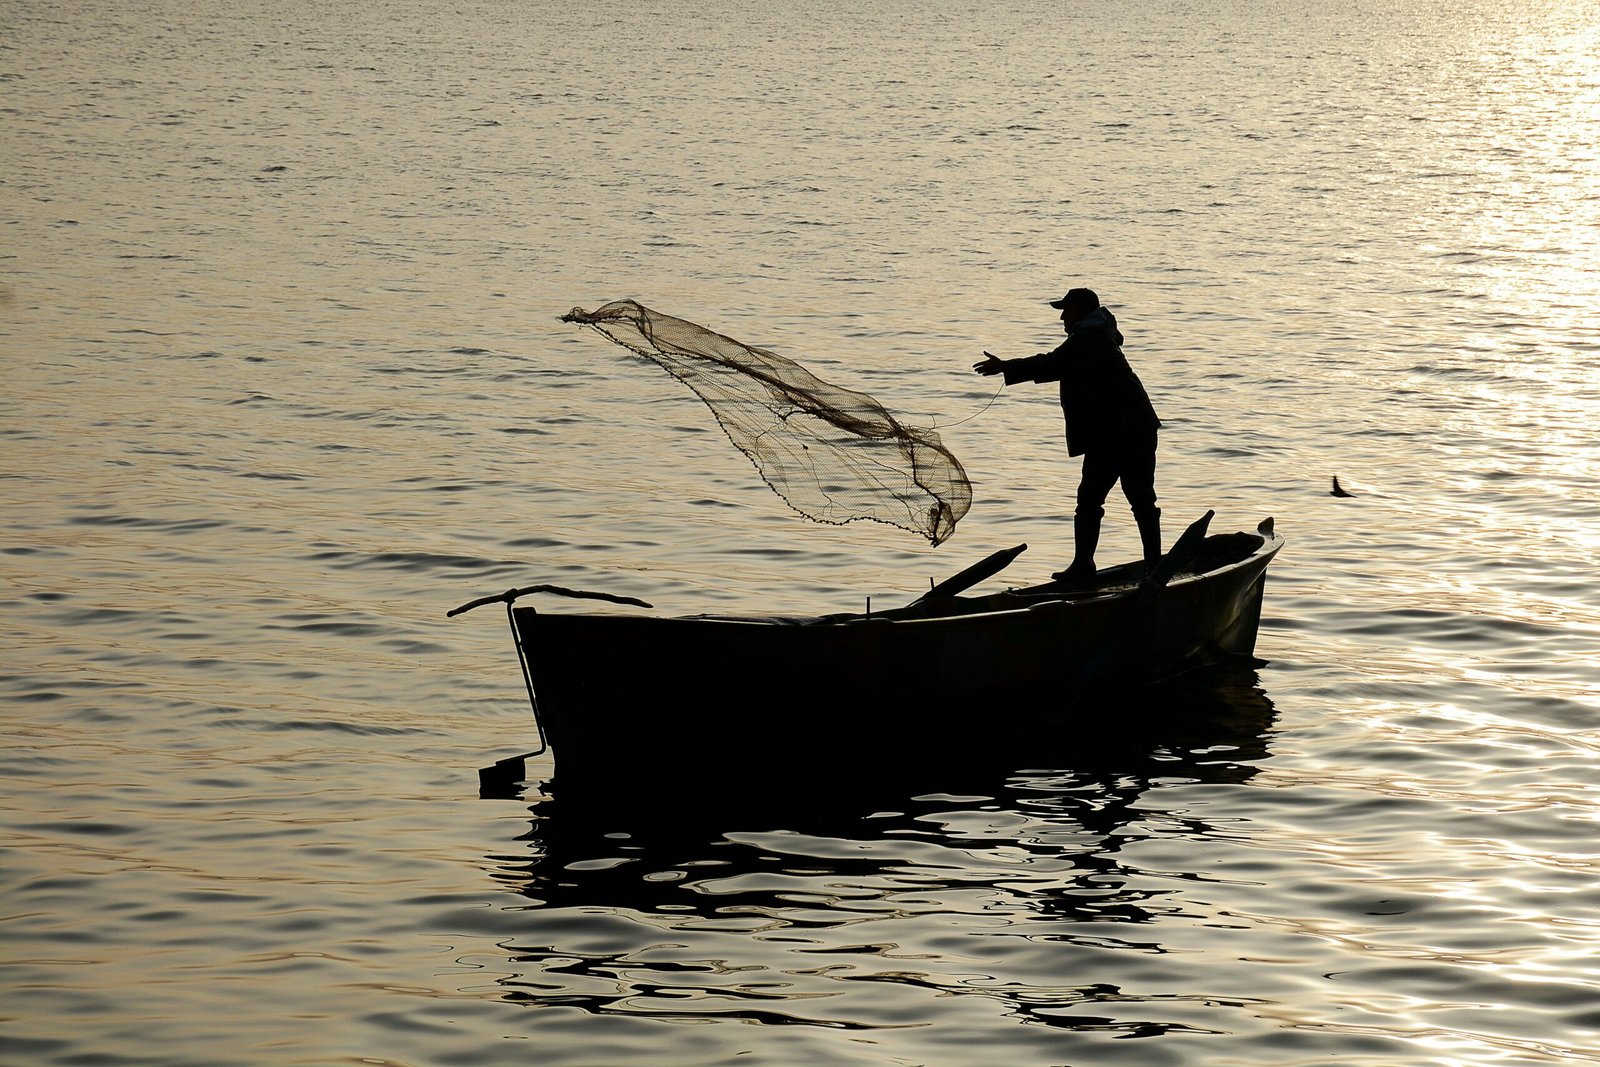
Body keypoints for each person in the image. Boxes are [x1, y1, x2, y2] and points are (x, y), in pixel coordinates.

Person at [973, 287, 1162, 584]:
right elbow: (1056, 366)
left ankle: (1151, 566)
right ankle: (1088, 564)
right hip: (1114, 432)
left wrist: (1004, 367)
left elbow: (1051, 364)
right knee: (1092, 498)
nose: (1062, 316)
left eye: (1066, 310)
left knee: (1134, 498)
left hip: (1128, 432)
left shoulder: (1089, 340)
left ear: (1082, 311)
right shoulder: (1093, 337)